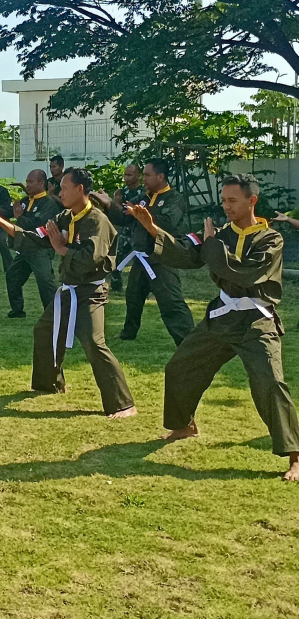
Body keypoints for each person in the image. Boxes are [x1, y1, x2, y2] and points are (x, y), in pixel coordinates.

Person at [127, 174, 299, 480]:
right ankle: (184, 425)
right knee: (181, 367)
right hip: (221, 317)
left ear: (251, 201)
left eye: (233, 201)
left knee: (270, 383)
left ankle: (295, 455)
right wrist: (151, 227)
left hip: (256, 321)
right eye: (224, 200)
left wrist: (213, 244)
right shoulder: (219, 233)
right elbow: (186, 254)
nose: (227, 206)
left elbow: (245, 275)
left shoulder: (271, 239)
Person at [0, 167, 136, 418]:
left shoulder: (96, 220)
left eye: (64, 187)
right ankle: (48, 383)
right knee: (44, 330)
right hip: (69, 290)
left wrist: (61, 249)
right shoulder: (65, 216)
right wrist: (1, 221)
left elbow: (90, 259)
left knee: (94, 343)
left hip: (90, 292)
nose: (59, 192)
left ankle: (123, 404)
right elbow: (35, 237)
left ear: (80, 189)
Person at [92, 158, 195, 345]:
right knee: (133, 296)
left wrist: (141, 215)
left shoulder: (174, 199)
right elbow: (123, 217)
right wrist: (108, 204)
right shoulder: (143, 198)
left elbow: (167, 223)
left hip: (163, 257)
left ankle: (188, 340)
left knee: (171, 301)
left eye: (148, 175)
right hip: (141, 257)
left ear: (160, 176)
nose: (144, 179)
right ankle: (129, 332)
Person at [0, 169, 61, 318]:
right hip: (25, 248)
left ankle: (53, 314)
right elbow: (9, 211)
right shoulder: (26, 201)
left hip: (41, 249)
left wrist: (20, 217)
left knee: (45, 282)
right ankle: (17, 310)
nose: (27, 185)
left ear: (41, 183)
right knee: (12, 276)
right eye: (27, 182)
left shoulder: (48, 204)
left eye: (31, 182)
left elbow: (39, 225)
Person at [108, 164, 146, 291]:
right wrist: (115, 202)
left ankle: (147, 286)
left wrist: (117, 203)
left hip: (139, 230)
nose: (126, 178)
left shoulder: (143, 193)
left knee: (144, 259)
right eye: (125, 175)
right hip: (125, 230)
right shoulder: (122, 192)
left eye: (130, 175)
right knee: (116, 257)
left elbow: (129, 212)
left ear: (138, 176)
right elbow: (116, 213)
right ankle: (116, 285)